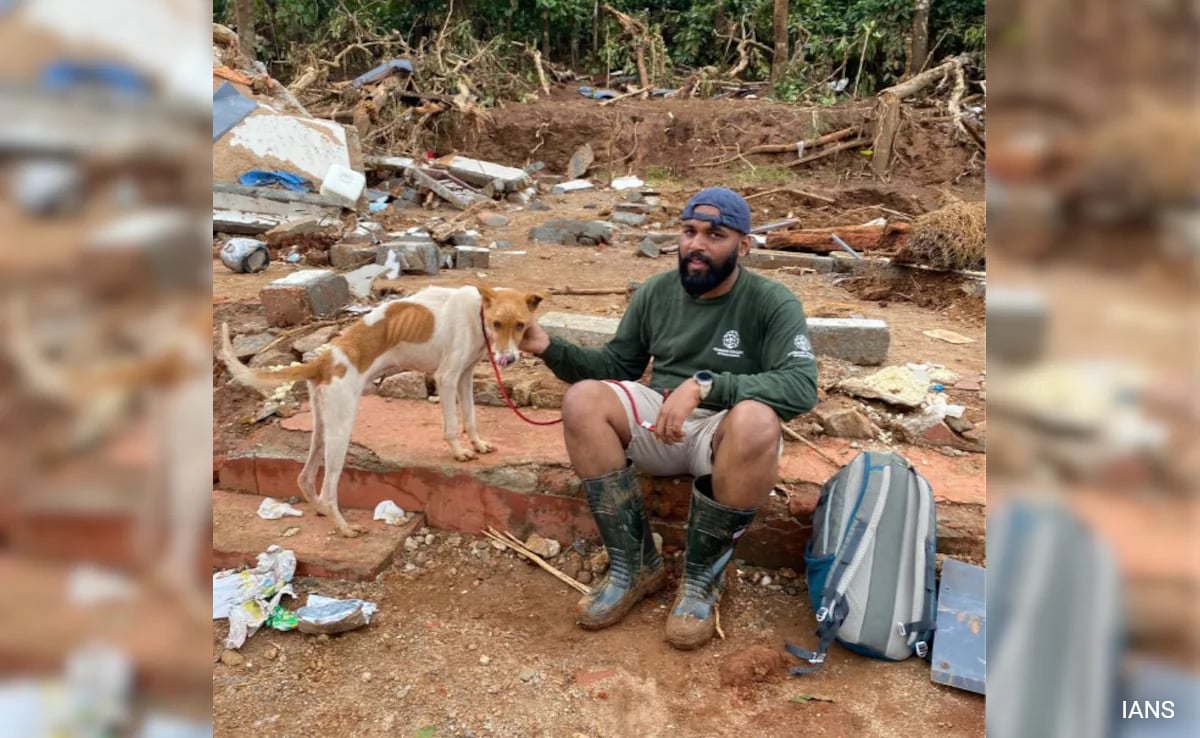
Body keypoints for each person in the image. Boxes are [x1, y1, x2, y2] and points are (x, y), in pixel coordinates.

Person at [519, 186, 819, 650]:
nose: (697, 245)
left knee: (758, 420)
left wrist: (706, 384)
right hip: (659, 426)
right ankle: (635, 565)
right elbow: (616, 367)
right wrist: (548, 347)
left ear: (742, 245)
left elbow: (800, 386)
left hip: (725, 440)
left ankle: (702, 582)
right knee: (583, 400)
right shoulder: (656, 292)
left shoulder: (772, 302)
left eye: (714, 235)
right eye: (689, 231)